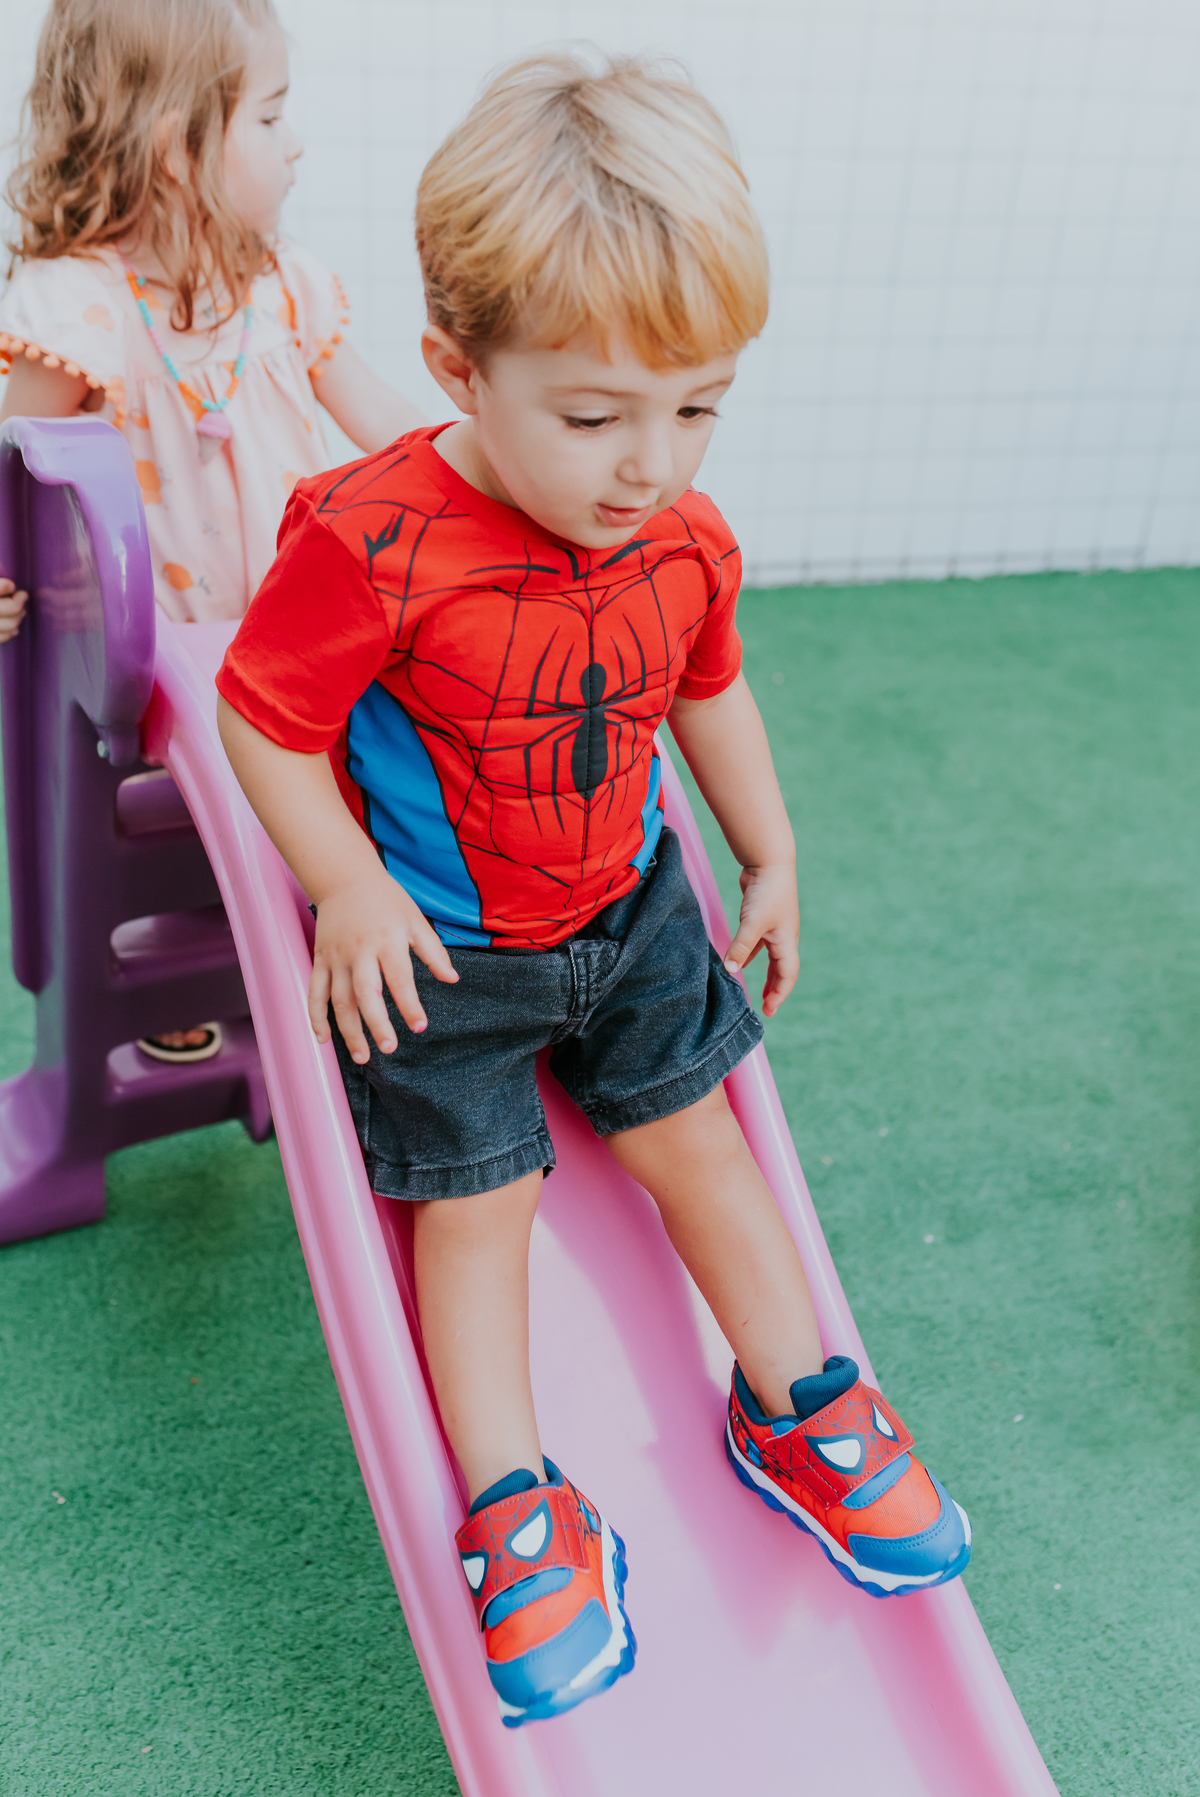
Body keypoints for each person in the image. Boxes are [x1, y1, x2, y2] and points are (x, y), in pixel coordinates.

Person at [215, 53, 972, 1729]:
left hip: (629, 921)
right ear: (456, 369)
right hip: (447, 958)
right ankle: (515, 1502)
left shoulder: (680, 537)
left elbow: (709, 688)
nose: (649, 463)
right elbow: (261, 722)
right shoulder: (374, 540)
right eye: (594, 415)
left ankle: (799, 1403)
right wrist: (347, 887)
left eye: (696, 408)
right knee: (478, 1208)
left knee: (702, 1141)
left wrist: (769, 845)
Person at [0, 0, 425, 1061]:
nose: (297, 143)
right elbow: (14, 467)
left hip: (293, 632)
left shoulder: (285, 288)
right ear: (176, 147)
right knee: (184, 821)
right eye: (270, 117)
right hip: (158, 653)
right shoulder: (81, 305)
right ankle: (182, 970)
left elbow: (389, 428)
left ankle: (302, 956)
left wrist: (491, 476)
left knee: (350, 772)